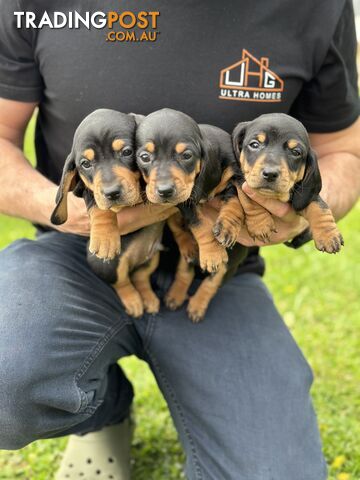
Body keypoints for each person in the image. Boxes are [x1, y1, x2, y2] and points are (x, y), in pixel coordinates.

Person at [0, 1, 359, 479]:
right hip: (78, 253)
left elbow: (342, 150)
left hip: (218, 267)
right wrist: (85, 216)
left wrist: (300, 212)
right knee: (7, 382)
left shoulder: (316, 7)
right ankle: (102, 409)